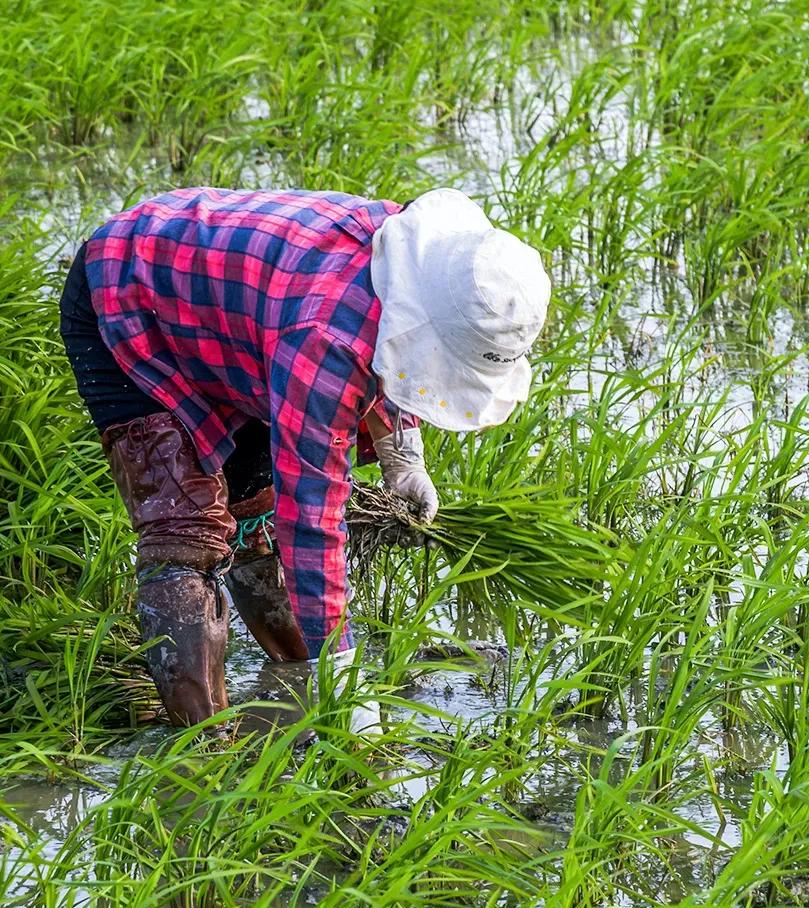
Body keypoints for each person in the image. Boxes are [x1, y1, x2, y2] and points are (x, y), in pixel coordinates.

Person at [58, 186, 551, 726]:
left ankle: (294, 672)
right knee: (186, 533)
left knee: (256, 514)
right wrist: (344, 683)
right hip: (129, 292)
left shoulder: (418, 272)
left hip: (231, 325)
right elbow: (313, 520)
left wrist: (401, 454)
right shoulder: (326, 338)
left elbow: (399, 354)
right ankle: (201, 752)